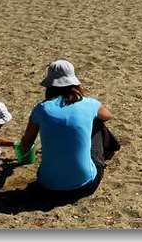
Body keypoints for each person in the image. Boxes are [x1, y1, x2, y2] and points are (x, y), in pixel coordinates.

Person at [18, 59, 119, 196]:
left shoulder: (41, 109)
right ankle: (110, 151)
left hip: (47, 186)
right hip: (86, 185)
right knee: (97, 123)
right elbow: (107, 115)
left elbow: (25, 145)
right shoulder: (89, 104)